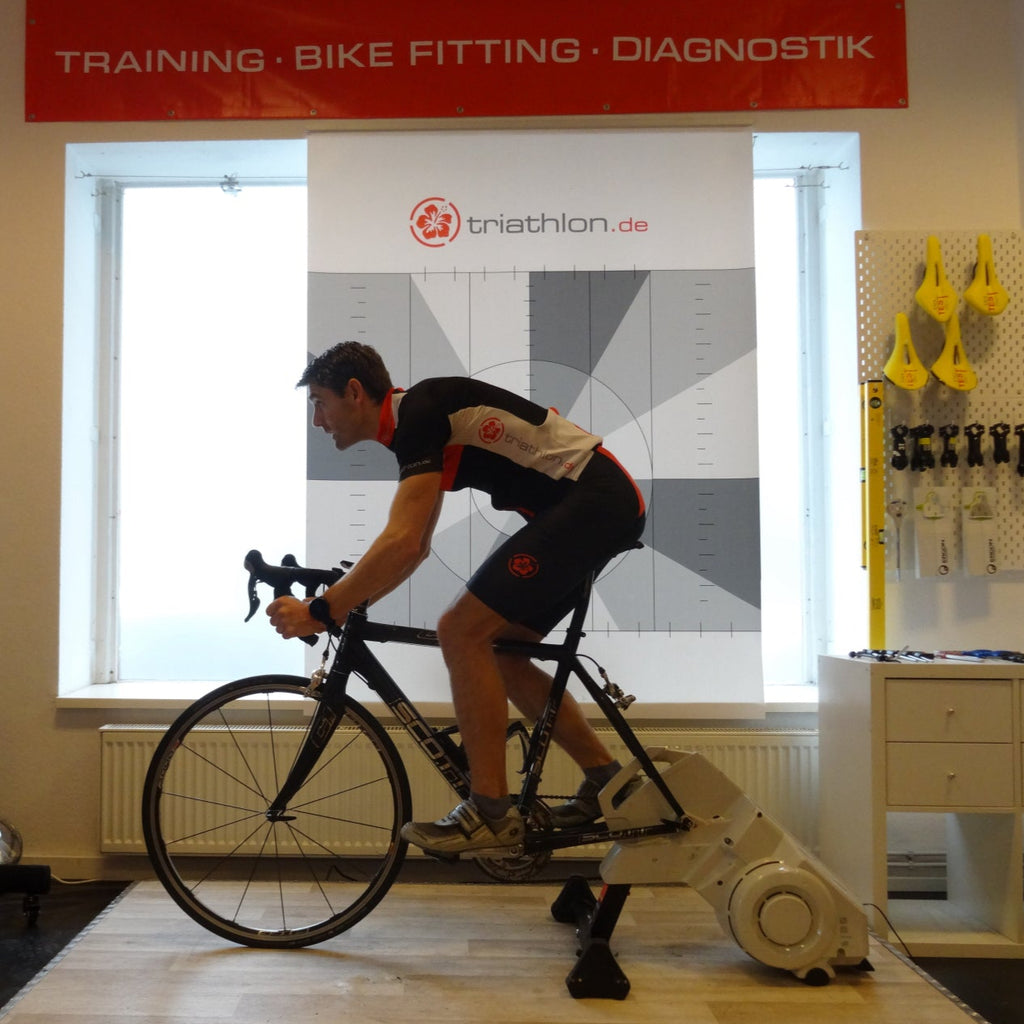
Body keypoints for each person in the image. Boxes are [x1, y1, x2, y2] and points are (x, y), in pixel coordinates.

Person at [268, 342, 646, 856]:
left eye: (319, 403)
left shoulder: (420, 414)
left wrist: (321, 610)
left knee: (461, 630)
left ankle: (489, 812)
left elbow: (402, 541)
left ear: (354, 392)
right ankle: (609, 783)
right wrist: (350, 605)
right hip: (595, 503)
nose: (317, 421)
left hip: (596, 499)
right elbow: (417, 549)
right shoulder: (418, 427)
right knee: (503, 654)